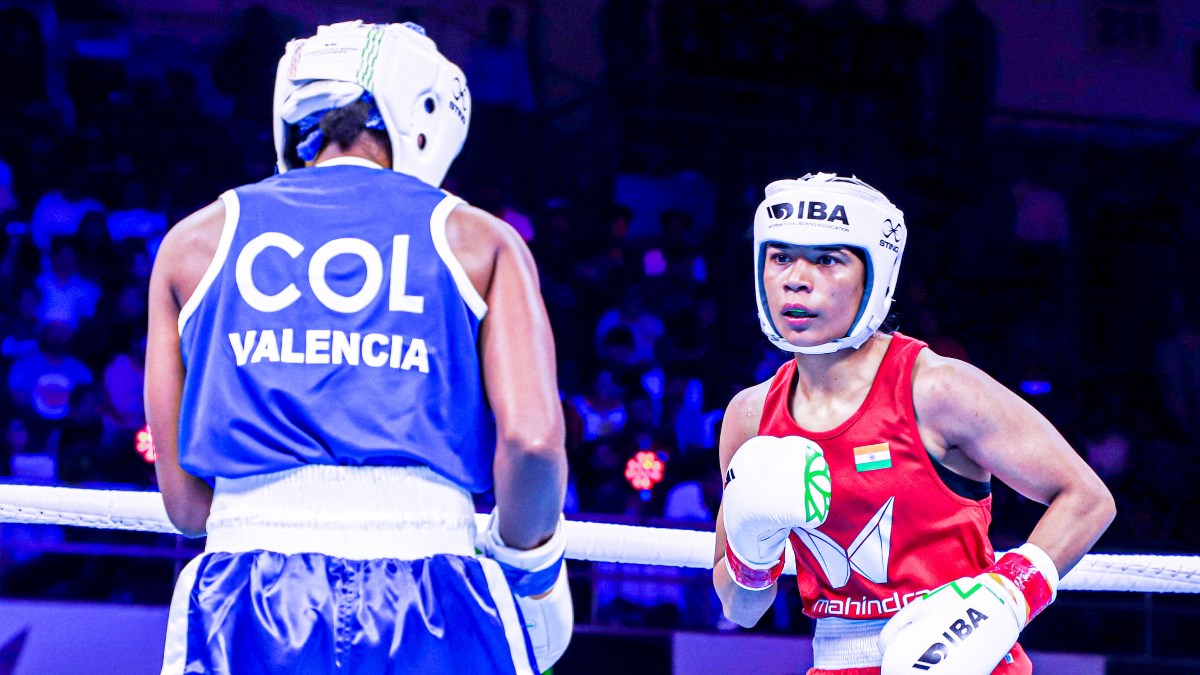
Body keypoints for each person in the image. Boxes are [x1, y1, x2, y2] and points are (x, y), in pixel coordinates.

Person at [146, 21, 570, 674]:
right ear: (426, 114)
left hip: (248, 594)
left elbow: (185, 506)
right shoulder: (478, 240)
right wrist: (528, 563)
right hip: (435, 583)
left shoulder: (192, 243)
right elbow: (535, 442)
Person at [712, 173, 1115, 674]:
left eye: (827, 259)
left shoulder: (937, 389)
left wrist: (1002, 598)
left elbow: (1088, 499)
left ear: (874, 276)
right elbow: (741, 609)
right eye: (781, 257)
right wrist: (752, 558)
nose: (796, 277)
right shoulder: (751, 417)